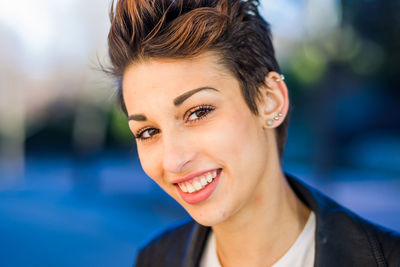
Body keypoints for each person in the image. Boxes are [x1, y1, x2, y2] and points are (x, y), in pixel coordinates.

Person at [106, 0, 400, 266]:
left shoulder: (385, 259)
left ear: (270, 100)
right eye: (147, 132)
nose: (173, 161)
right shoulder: (155, 259)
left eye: (198, 112)